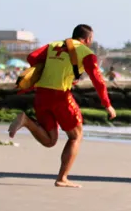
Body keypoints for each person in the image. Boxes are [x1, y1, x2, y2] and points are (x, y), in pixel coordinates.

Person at [8, 24, 116, 188]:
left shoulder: (53, 45)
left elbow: (32, 57)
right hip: (61, 97)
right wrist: (107, 104)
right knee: (75, 136)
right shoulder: (86, 53)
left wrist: (51, 68)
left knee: (50, 141)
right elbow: (98, 80)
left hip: (42, 95)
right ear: (88, 39)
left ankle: (26, 121)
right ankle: (62, 178)